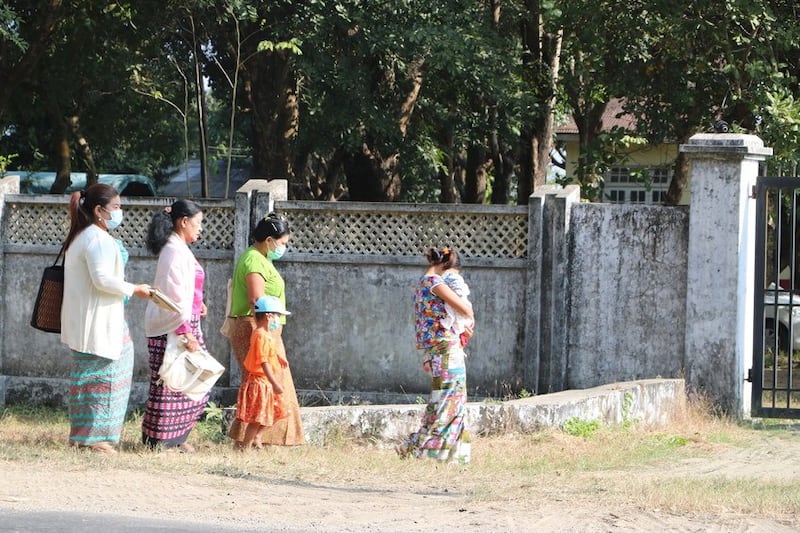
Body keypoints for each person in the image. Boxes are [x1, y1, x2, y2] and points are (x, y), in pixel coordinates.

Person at [61, 184, 152, 454]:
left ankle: (84, 436)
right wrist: (134, 289)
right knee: (105, 379)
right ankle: (96, 439)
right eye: (116, 207)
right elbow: (102, 279)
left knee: (89, 380)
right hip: (99, 322)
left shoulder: (83, 236)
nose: (120, 212)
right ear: (99, 211)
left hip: (92, 320)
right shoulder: (96, 239)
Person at [227, 213, 304, 447]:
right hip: (255, 328)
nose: (283, 248)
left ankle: (258, 439)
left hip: (265, 330)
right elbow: (256, 301)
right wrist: (268, 332)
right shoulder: (253, 261)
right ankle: (246, 442)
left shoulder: (262, 259)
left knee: (271, 388)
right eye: (282, 243)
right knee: (262, 387)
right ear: (269, 240)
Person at [141, 199, 209, 452]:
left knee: (184, 381)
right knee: (174, 381)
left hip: (182, 322)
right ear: (183, 222)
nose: (200, 229)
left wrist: (197, 305)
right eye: (198, 223)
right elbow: (171, 296)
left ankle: (172, 438)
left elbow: (186, 289)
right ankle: (162, 441)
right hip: (175, 325)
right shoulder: (173, 250)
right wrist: (184, 333)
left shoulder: (179, 248)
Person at [396, 247, 474, 464]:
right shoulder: (435, 283)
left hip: (434, 352)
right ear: (448, 266)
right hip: (447, 350)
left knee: (440, 401)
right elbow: (465, 310)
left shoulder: (422, 284)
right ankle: (431, 453)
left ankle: (412, 447)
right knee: (451, 401)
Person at [234, 295, 290, 451]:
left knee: (279, 410)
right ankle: (246, 446)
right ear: (268, 316)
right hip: (261, 382)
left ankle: (257, 437)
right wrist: (275, 383)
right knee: (257, 418)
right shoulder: (260, 335)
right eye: (277, 316)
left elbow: (266, 352)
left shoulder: (265, 335)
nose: (278, 320)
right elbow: (263, 361)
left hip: (265, 381)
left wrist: (278, 357)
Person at [440, 249, 474, 348]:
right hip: (448, 344)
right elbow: (467, 312)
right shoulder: (437, 284)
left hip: (448, 344)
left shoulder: (436, 282)